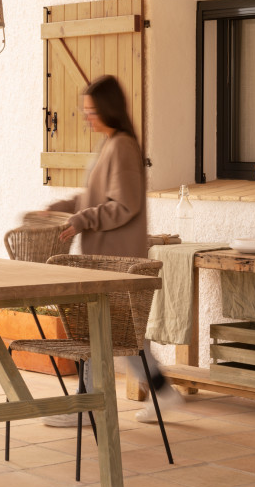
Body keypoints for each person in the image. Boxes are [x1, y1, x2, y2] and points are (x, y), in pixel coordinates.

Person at [38, 74, 183, 424]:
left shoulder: (122, 147)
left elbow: (126, 204)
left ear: (108, 109)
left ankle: (89, 406)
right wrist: (62, 206)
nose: (86, 116)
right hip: (108, 259)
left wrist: (84, 219)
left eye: (91, 110)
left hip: (116, 260)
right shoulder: (110, 144)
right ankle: (164, 394)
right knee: (122, 335)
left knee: (97, 332)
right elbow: (96, 198)